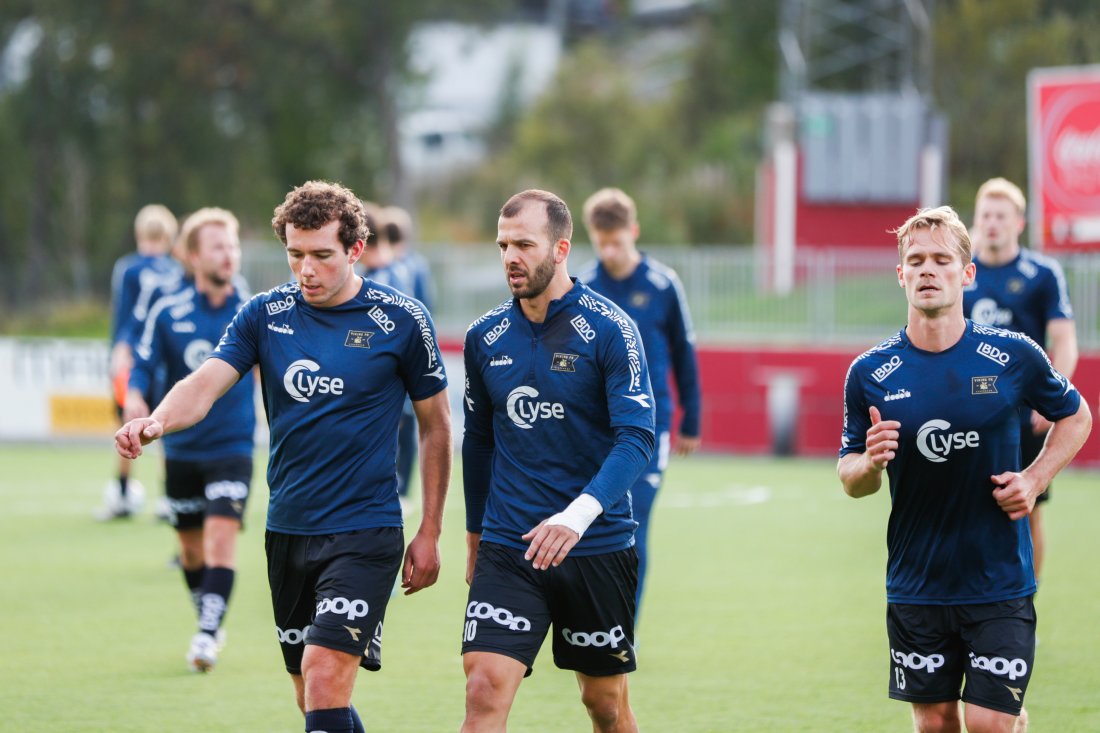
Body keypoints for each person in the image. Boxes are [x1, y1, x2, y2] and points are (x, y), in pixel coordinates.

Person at [116, 180, 452, 733]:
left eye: (322, 255)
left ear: (355, 249)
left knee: (323, 675)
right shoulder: (264, 314)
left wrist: (431, 530)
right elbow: (204, 384)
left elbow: (436, 427)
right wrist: (156, 420)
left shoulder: (402, 319)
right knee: (314, 698)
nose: (306, 270)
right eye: (295, 254)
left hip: (366, 531)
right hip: (289, 529)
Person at [838, 206, 1091, 733]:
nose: (928, 270)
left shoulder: (1013, 355)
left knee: (989, 723)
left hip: (998, 579)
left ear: (966, 273)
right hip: (916, 582)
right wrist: (870, 460)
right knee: (935, 724)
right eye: (916, 260)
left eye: (941, 260)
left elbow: (1077, 415)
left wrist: (1034, 478)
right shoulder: (868, 373)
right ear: (901, 274)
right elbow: (852, 480)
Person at [461, 189, 656, 733]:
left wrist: (578, 515)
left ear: (562, 247)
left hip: (594, 544)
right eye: (503, 245)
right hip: (510, 544)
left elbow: (637, 438)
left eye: (524, 244)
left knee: (605, 704)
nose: (510, 257)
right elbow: (478, 440)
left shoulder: (612, 329)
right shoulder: (484, 337)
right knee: (483, 687)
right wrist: (475, 533)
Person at [125, 207, 255, 672]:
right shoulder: (168, 310)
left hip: (233, 449)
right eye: (219, 247)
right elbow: (141, 363)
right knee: (191, 551)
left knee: (221, 539)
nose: (229, 255)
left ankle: (205, 633)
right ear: (193, 256)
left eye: (233, 246)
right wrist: (135, 398)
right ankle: (209, 615)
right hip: (180, 449)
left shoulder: (253, 310)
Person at [578, 187, 701, 614]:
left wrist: (692, 421)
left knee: (636, 519)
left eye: (617, 241)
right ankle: (592, 612)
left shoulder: (662, 285)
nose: (610, 251)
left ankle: (624, 620)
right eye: (601, 242)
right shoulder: (584, 287)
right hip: (595, 426)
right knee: (592, 518)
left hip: (651, 424)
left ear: (634, 231)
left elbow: (684, 354)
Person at [963, 177, 1078, 581]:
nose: (992, 223)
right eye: (985, 215)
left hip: (1022, 415)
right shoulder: (958, 273)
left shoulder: (1042, 273)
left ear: (1019, 222)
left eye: (1000, 215)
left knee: (1026, 516)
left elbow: (1065, 341)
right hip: (967, 414)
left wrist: (1053, 398)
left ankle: (1025, 609)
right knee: (960, 515)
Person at [99, 204, 182, 520]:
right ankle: (169, 497)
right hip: (163, 359)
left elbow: (124, 316)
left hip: (133, 359)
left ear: (139, 234)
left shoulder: (129, 269)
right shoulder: (176, 270)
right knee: (163, 424)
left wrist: (118, 353)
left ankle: (121, 493)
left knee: (125, 423)